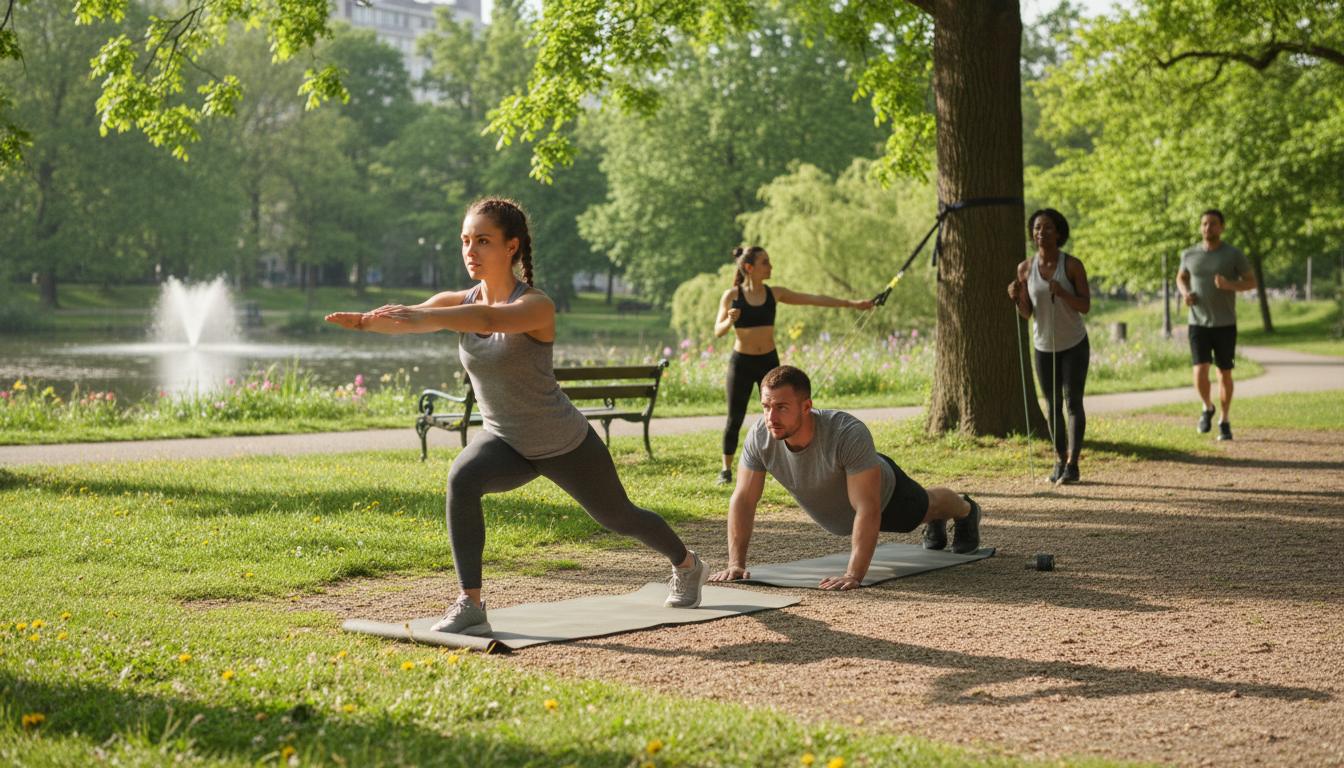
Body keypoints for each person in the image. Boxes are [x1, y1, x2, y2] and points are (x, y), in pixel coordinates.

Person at [326, 198, 708, 636]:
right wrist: (364, 322)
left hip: (561, 441)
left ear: (511, 246)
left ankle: (687, 564)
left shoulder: (536, 306)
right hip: (505, 440)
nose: (470, 251)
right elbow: (409, 322)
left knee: (619, 517)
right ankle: (471, 604)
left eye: (483, 241)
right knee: (462, 479)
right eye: (465, 241)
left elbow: (487, 317)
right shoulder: (457, 302)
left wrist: (424, 314)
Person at [707, 365, 983, 591]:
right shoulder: (760, 437)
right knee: (927, 510)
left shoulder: (846, 432)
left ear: (806, 407)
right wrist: (736, 564)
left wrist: (854, 574)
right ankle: (939, 518)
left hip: (885, 495)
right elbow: (744, 499)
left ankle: (966, 509)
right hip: (848, 508)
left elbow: (868, 507)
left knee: (927, 506)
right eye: (766, 406)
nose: (771, 417)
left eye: (782, 407)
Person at [712, 246, 873, 485]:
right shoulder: (732, 295)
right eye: (765, 262)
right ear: (749, 267)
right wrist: (729, 320)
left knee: (780, 414)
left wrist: (853, 303)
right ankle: (726, 470)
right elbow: (718, 331)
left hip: (768, 362)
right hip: (742, 362)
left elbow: (812, 299)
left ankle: (778, 464)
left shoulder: (774, 293)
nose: (770, 266)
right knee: (735, 417)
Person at [1007, 208, 1092, 484]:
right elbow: (1026, 313)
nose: (1041, 233)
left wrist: (1064, 293)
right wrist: (1017, 297)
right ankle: (1059, 459)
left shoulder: (1072, 266)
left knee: (1073, 402)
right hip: (1043, 345)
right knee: (1052, 405)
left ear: (1059, 233)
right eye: (1037, 228)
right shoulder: (1025, 268)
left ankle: (1073, 464)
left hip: (1073, 343)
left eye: (1047, 228)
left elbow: (1085, 306)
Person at [1177, 209, 1256, 441]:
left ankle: (1224, 420)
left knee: (1224, 373)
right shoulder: (1189, 254)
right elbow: (1181, 277)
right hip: (1197, 322)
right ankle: (1207, 407)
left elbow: (1251, 282)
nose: (1207, 228)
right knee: (1200, 370)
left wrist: (1229, 285)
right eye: (1204, 223)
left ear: (1222, 227)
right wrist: (1185, 293)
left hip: (1225, 323)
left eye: (1212, 223)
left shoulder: (1233, 254)